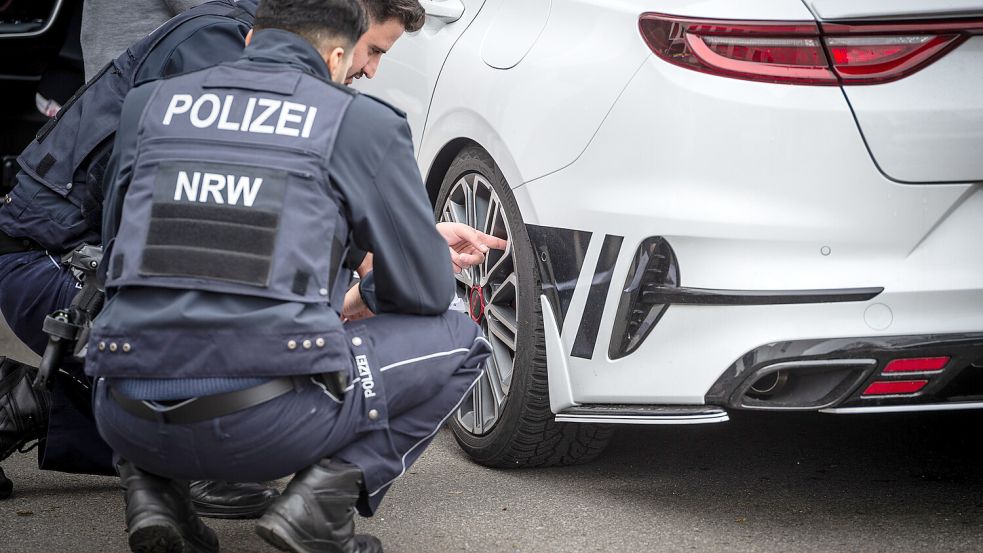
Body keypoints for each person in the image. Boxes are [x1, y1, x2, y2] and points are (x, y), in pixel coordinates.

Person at [88, 1, 494, 552]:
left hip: (122, 412)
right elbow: (423, 291)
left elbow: (118, 253)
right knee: (459, 335)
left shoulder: (148, 104)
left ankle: (154, 491)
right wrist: (377, 274)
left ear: (251, 38)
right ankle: (318, 511)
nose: (367, 70)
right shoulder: (359, 121)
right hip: (265, 425)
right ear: (335, 55)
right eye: (367, 54)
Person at [0, 0, 279, 515]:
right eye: (368, 50)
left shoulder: (242, 35)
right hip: (51, 261)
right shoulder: (218, 38)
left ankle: (36, 402)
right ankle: (191, 454)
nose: (367, 68)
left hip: (66, 243)